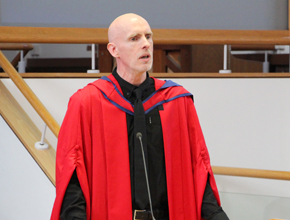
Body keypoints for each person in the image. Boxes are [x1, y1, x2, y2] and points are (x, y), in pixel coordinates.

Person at [51, 13, 229, 220]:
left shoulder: (177, 101)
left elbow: (199, 169)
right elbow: (72, 177)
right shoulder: (87, 103)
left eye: (148, 37)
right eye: (134, 38)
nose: (145, 44)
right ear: (113, 50)